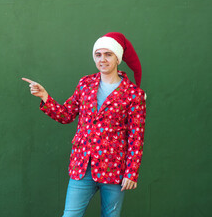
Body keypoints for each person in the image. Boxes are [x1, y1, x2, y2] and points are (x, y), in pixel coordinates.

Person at [22, 32, 147, 217]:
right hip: (82, 167)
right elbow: (66, 115)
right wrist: (45, 97)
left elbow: (136, 136)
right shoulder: (85, 84)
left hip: (114, 170)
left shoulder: (133, 94)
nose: (102, 59)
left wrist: (131, 172)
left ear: (118, 58)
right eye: (98, 54)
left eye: (108, 54)